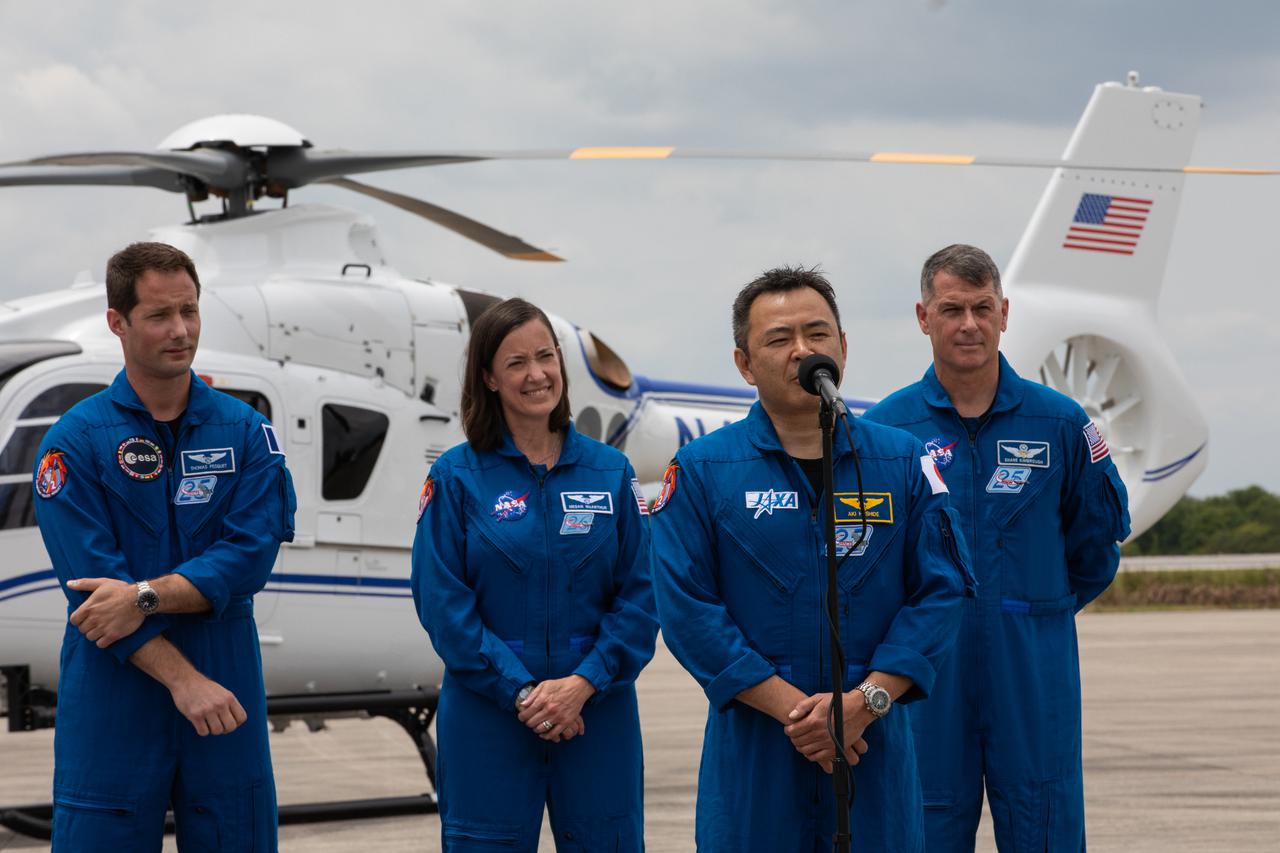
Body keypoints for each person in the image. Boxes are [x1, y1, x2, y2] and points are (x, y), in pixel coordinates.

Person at [651, 266, 974, 852]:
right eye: (778, 339)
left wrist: (866, 703)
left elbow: (941, 591)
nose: (802, 350)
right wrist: (804, 716)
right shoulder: (700, 471)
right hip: (756, 750)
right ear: (744, 364)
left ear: (843, 348)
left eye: (817, 334)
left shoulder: (905, 463)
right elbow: (687, 608)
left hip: (873, 744)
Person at [862, 244, 1131, 851]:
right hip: (925, 674)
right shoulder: (885, 432)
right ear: (922, 316)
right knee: (919, 824)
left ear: (1004, 313)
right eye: (952, 309)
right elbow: (868, 566)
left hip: (1032, 669)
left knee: (1045, 825)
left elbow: (1094, 551)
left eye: (983, 308)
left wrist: (1034, 609)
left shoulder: (1060, 424)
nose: (969, 325)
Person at [32, 241, 297, 851]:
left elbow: (249, 554)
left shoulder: (247, 432)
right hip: (114, 695)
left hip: (226, 686)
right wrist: (184, 682)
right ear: (117, 323)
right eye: (158, 316)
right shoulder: (74, 442)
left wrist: (144, 596)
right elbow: (94, 593)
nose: (180, 331)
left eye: (190, 311)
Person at [411, 297, 658, 851]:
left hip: (598, 710)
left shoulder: (609, 471)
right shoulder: (455, 477)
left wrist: (584, 682)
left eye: (546, 357)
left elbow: (641, 598)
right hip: (488, 716)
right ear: (489, 379)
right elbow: (444, 607)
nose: (536, 374)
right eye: (516, 362)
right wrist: (521, 694)